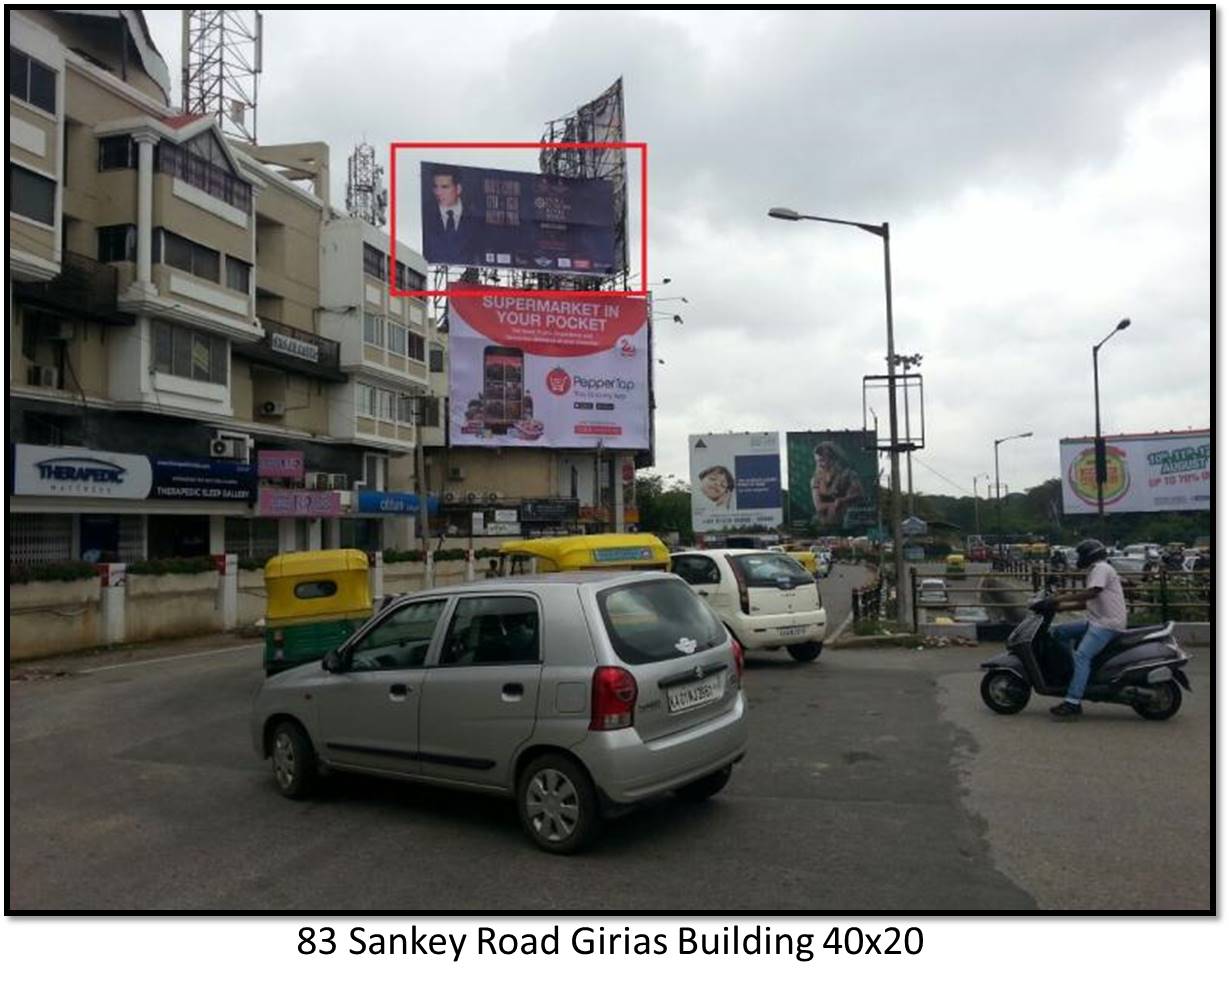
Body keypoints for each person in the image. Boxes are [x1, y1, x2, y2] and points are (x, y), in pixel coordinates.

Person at [1031, 538, 1127, 719]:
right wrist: (1058, 608)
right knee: (1058, 633)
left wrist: (1058, 599)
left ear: (1089, 555)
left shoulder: (1101, 569)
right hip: (1096, 621)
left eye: (1081, 554)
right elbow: (1087, 602)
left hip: (1107, 624)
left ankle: (1073, 702)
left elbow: (1092, 593)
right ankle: (1072, 673)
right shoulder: (1096, 570)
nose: (1079, 558)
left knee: (1082, 656)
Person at [424, 166, 481, 265]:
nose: (438, 192)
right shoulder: (426, 216)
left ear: (458, 189)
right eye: (435, 187)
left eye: (444, 187)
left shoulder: (477, 218)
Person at [811, 442, 864, 527]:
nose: (820, 464)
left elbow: (858, 494)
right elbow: (818, 506)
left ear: (833, 459)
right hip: (823, 525)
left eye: (822, 460)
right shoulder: (816, 480)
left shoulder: (849, 474)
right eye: (817, 461)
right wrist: (835, 503)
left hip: (848, 524)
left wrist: (842, 500)